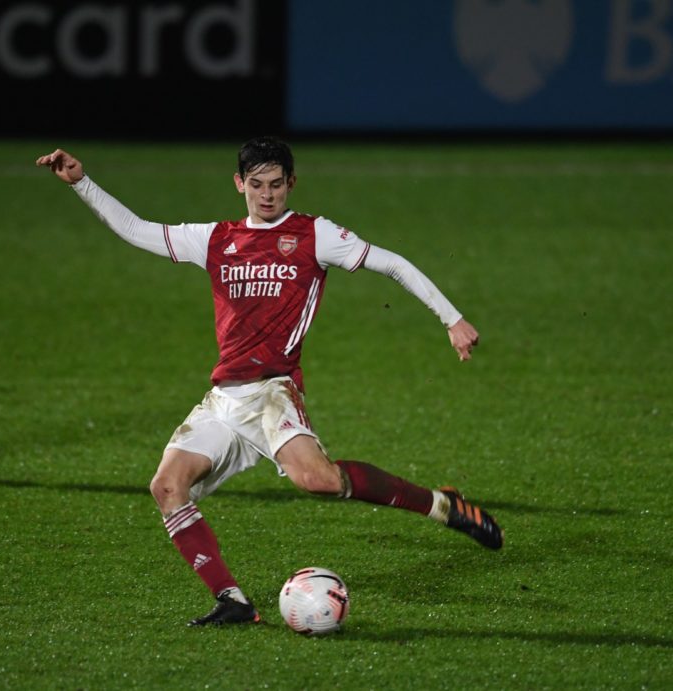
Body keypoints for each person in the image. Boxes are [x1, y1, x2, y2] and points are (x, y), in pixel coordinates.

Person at [36, 137, 503, 626]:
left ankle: (443, 506)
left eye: (276, 184)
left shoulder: (313, 234)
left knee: (319, 481)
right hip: (224, 400)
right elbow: (136, 230)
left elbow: (391, 263)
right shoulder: (215, 238)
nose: (266, 195)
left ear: (291, 184)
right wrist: (81, 183)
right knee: (166, 485)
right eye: (256, 184)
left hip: (272, 390)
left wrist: (451, 319)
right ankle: (233, 601)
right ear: (239, 184)